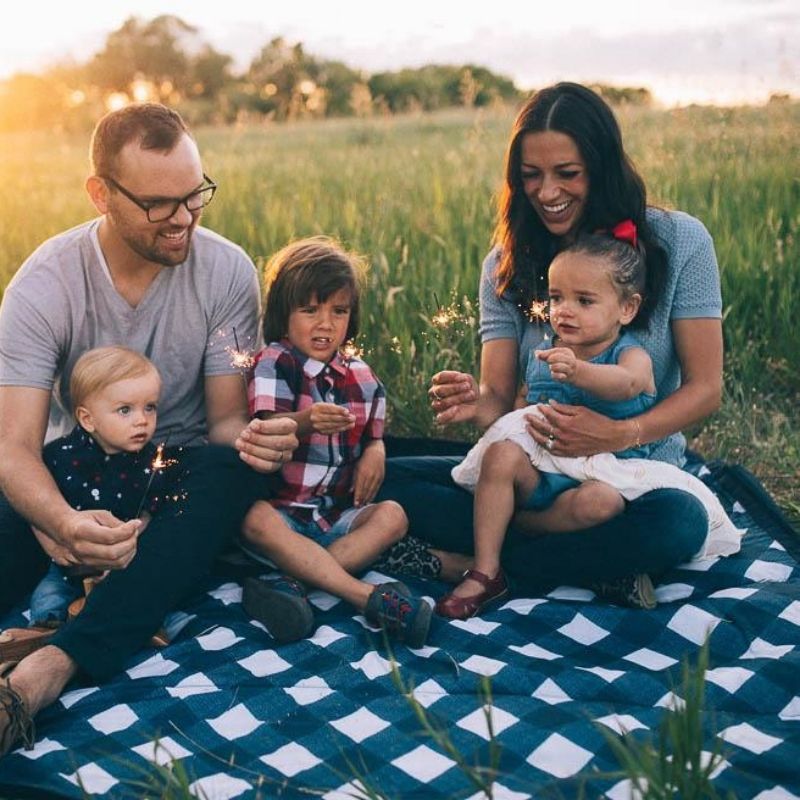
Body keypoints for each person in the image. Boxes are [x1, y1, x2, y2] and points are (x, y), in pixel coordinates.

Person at [0, 102, 298, 757]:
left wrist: (260, 441)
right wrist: (62, 520)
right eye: (161, 204)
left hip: (175, 475)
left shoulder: (226, 272)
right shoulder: (44, 285)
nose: (185, 218)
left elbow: (224, 424)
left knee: (226, 474)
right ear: (101, 194)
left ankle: (51, 668)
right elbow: (14, 448)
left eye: (196, 195)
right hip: (73, 471)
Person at [378, 81, 724, 609]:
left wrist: (618, 432)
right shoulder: (505, 263)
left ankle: (471, 559)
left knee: (680, 525)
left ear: (602, 168)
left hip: (632, 479)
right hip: (530, 470)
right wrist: (479, 403)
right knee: (379, 476)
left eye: (567, 174)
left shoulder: (680, 242)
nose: (546, 192)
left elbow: (705, 388)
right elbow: (500, 399)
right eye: (531, 175)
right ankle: (585, 564)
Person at [436, 230, 742, 619]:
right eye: (556, 298)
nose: (564, 310)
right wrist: (479, 408)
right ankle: (486, 569)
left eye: (584, 301)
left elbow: (626, 384)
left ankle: (510, 539)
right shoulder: (546, 353)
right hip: (542, 470)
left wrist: (580, 372)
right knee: (499, 456)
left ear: (627, 309)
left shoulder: (631, 355)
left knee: (628, 509)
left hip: (603, 474)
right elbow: (521, 408)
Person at [240, 237, 432, 648]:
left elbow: (375, 434)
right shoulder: (276, 362)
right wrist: (305, 423)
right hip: (284, 517)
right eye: (310, 310)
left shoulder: (362, 376)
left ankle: (291, 586)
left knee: (393, 515)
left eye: (338, 311)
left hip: (335, 520)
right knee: (252, 517)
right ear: (284, 314)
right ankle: (364, 596)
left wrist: (376, 452)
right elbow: (271, 430)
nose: (325, 324)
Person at [27, 346, 186, 644]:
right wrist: (54, 547)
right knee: (48, 599)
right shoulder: (58, 456)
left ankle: (145, 627)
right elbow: (37, 512)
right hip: (67, 564)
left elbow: (147, 514)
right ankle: (42, 635)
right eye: (125, 410)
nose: (142, 420)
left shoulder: (152, 462)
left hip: (121, 563)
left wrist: (127, 549)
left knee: (148, 595)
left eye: (149, 407)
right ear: (88, 419)